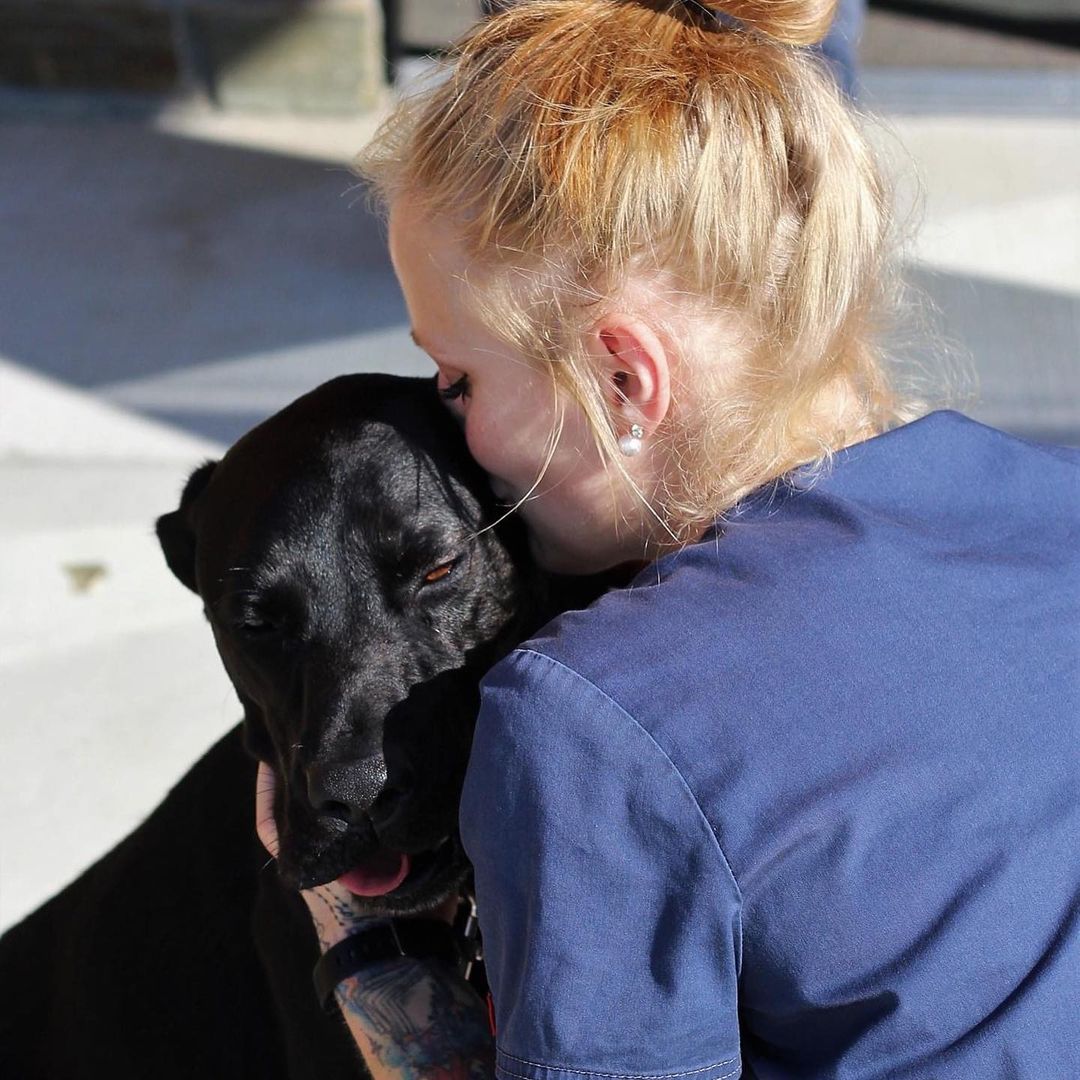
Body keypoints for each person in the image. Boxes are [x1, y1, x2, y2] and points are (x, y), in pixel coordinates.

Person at [256, 2, 1080, 1077]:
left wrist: (357, 925)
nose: (455, 427)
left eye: (460, 379)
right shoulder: (1039, 505)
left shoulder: (594, 723)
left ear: (623, 379)